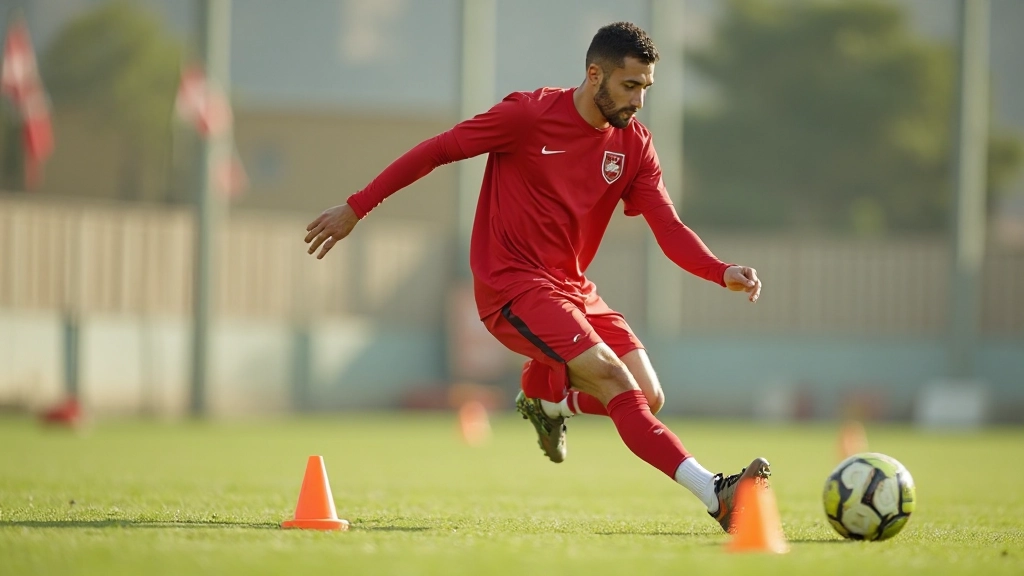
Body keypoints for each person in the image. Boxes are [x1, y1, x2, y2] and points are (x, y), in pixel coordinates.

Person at [304, 22, 769, 533]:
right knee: (615, 380)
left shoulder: (634, 145)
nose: (638, 100)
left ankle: (549, 399)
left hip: (573, 289)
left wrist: (719, 270)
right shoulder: (527, 115)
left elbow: (668, 226)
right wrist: (356, 207)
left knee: (649, 397)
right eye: (629, 86)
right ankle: (715, 493)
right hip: (511, 285)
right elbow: (437, 149)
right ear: (595, 74)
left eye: (645, 88)